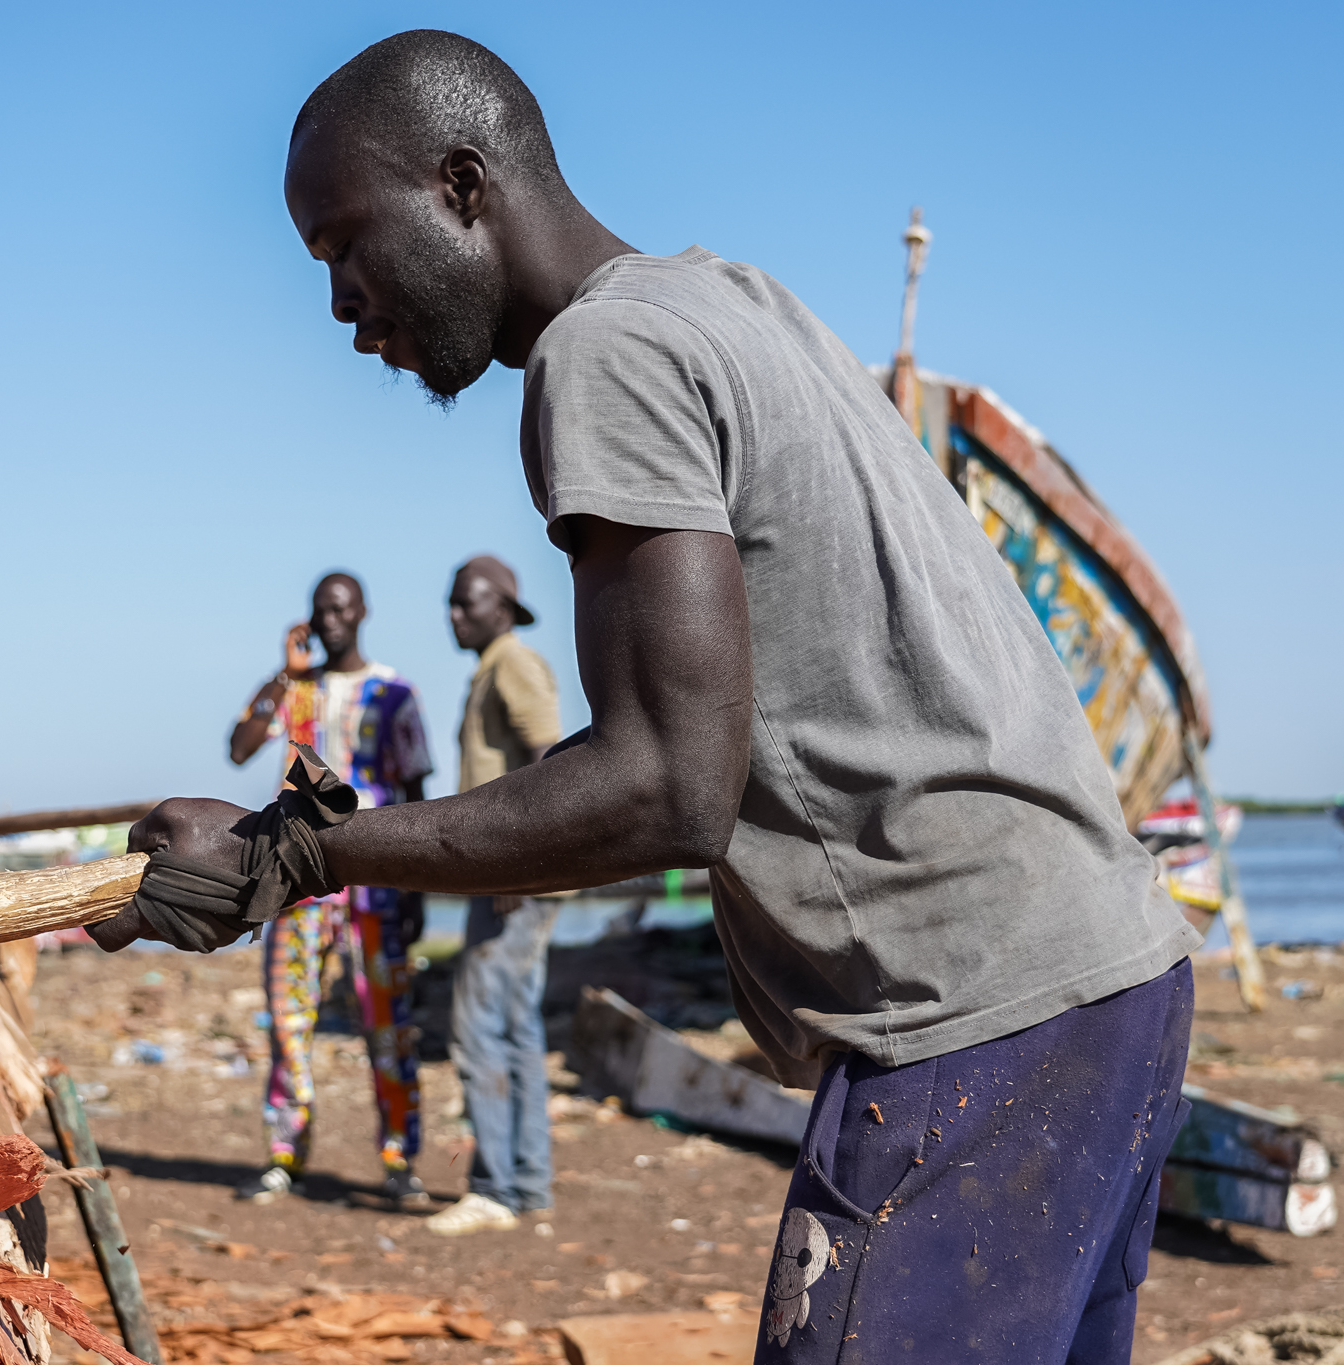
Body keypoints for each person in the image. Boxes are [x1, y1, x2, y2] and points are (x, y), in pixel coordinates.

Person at [116, 31, 1198, 1364]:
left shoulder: (604, 356)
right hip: (1114, 976)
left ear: (461, 185)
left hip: (969, 1019)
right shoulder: (731, 297)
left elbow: (663, 788)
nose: (341, 304)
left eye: (342, 245)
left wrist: (291, 850)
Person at [226, 572, 433, 1208]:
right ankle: (286, 1153)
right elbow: (239, 747)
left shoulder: (394, 694)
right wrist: (284, 674)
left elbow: (417, 791)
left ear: (363, 612)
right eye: (321, 612)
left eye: (342, 609)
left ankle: (400, 1160)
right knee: (290, 1022)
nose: (332, 620)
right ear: (310, 622)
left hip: (375, 884)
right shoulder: (297, 693)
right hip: (298, 882)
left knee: (386, 1022)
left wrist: (419, 884)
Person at [424, 555, 563, 1236]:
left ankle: (496, 1187)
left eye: (465, 603)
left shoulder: (512, 663)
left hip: (514, 877)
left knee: (479, 1028)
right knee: (513, 1029)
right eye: (450, 603)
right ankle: (525, 1184)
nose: (454, 614)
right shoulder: (494, 666)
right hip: (516, 875)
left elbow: (548, 758)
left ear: (502, 606)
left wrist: (516, 866)